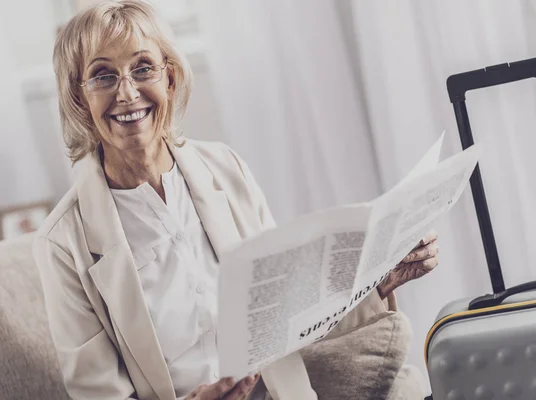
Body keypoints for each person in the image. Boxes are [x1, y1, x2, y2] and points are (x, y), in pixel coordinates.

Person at [32, 1, 440, 399]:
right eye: (103, 76)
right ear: (78, 97)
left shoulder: (226, 168)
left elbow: (288, 313)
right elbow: (97, 392)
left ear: (169, 80)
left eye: (143, 69)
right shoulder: (61, 244)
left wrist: (376, 280)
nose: (127, 92)